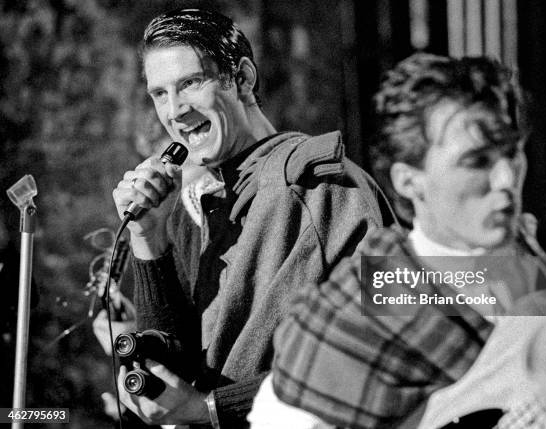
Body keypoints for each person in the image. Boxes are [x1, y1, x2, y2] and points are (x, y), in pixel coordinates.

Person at [256, 54, 546, 428]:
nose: (506, 179)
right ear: (409, 181)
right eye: (477, 161)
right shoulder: (362, 308)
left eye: (512, 153)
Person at [110, 8, 391, 428]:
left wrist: (214, 407)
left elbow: (383, 352)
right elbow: (174, 379)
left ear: (243, 78)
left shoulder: (324, 186)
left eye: (190, 83)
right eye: (159, 93)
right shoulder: (193, 209)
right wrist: (148, 238)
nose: (175, 111)